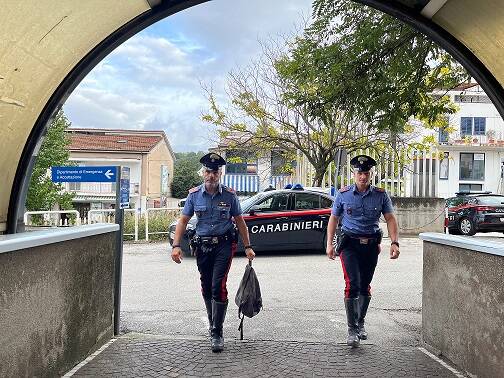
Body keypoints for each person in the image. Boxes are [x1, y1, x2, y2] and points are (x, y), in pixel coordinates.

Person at [171, 152, 255, 352]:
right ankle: (212, 323)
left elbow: (240, 221)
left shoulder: (229, 195)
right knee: (206, 286)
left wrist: (248, 246)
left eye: (215, 172)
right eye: (208, 171)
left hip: (224, 246)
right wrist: (175, 246)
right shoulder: (193, 195)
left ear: (220, 174)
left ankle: (217, 331)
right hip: (202, 246)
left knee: (218, 285)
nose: (211, 176)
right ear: (203, 173)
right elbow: (183, 220)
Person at [326, 154, 400, 348]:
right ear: (353, 174)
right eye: (359, 173)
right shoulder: (343, 195)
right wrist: (329, 244)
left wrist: (395, 242)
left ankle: (360, 323)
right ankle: (351, 330)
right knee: (353, 284)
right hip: (349, 244)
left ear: (370, 174)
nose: (363, 177)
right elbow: (333, 219)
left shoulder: (380, 195)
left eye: (366, 173)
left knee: (365, 285)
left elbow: (390, 219)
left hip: (371, 245)